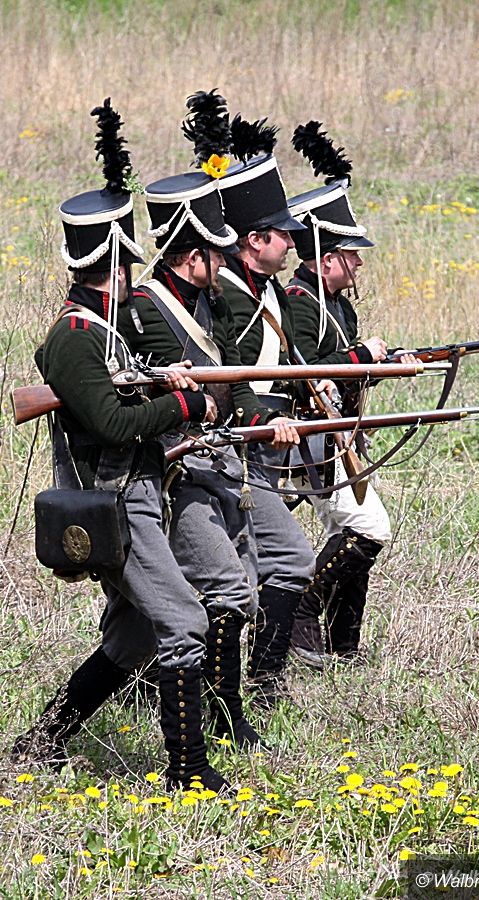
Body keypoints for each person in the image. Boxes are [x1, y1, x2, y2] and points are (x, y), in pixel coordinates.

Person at [13, 100, 227, 792]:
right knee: (185, 621)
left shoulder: (106, 332)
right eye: (127, 263)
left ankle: (42, 740)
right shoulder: (74, 338)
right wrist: (186, 404)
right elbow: (109, 421)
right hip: (112, 502)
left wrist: (164, 381)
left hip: (139, 493)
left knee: (135, 638)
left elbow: (126, 397)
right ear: (115, 263)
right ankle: (188, 772)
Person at [119, 90, 301, 742]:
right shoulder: (142, 309)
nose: (223, 263)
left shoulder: (208, 302)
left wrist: (259, 418)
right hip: (171, 473)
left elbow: (233, 381)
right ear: (192, 254)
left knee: (235, 588)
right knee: (224, 591)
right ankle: (220, 724)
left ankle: (216, 713)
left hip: (218, 461)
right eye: (215, 252)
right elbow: (130, 396)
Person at [284, 121, 395, 668]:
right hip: (310, 440)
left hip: (338, 437)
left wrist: (388, 365)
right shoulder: (299, 301)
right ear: (325, 256)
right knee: (370, 529)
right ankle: (300, 614)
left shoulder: (338, 305)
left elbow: (344, 369)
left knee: (349, 531)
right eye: (350, 254)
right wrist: (361, 359)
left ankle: (343, 646)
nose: (358, 262)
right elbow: (302, 372)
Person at [216, 114, 319, 704]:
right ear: (255, 240)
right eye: (283, 234)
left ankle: (252, 682)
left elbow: (298, 360)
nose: (292, 243)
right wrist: (259, 421)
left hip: (266, 442)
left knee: (257, 568)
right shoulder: (225, 295)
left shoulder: (270, 290)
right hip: (237, 443)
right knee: (277, 564)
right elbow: (228, 378)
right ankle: (254, 685)